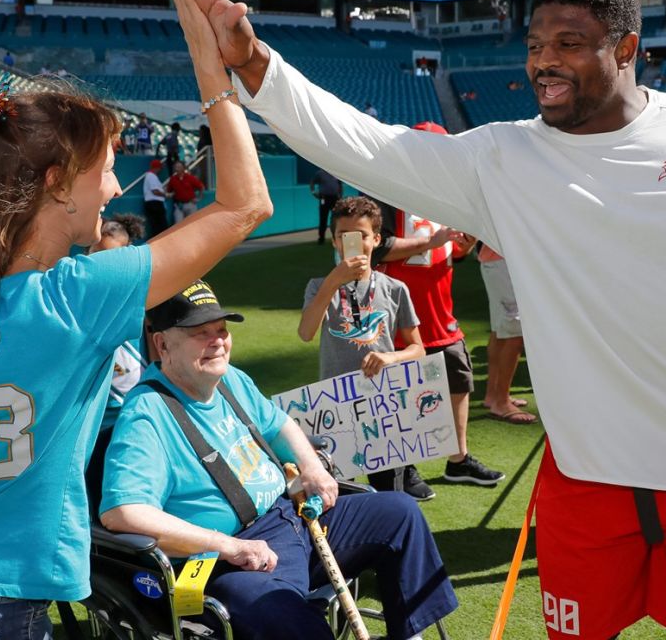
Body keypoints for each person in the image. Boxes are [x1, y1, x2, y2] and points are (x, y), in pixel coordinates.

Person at [158, 0, 666, 638]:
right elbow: (364, 144)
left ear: (625, 50)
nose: (543, 62)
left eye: (569, 44)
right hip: (586, 478)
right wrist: (253, 62)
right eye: (535, 45)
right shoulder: (503, 158)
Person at [0, 0, 273, 638]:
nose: (112, 186)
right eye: (104, 167)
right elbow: (248, 204)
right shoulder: (81, 295)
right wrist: (211, 63)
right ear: (55, 181)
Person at [100, 282, 458, 640]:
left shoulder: (230, 379)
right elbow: (123, 513)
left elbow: (279, 425)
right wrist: (228, 546)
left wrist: (312, 468)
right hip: (229, 563)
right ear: (162, 344)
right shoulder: (145, 415)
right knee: (283, 615)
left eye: (222, 330)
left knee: (399, 512)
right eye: (200, 333)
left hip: (294, 518)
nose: (218, 341)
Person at [367, 121, 506, 487]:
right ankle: (404, 464)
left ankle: (457, 460)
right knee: (402, 391)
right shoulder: (388, 190)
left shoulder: (449, 193)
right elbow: (375, 247)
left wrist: (462, 244)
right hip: (399, 311)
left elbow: (451, 252)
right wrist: (429, 244)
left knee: (458, 381)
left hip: (440, 309)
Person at [297, 197, 432, 499]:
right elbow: (306, 333)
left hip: (382, 407)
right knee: (341, 494)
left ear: (376, 239)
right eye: (344, 236)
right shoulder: (319, 286)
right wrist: (334, 281)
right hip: (337, 408)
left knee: (389, 493)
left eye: (360, 236)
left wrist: (390, 356)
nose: (351, 243)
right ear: (334, 241)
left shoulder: (395, 289)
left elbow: (418, 349)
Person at [89, 212, 151, 433]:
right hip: (96, 422)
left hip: (135, 417)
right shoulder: (81, 297)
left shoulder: (141, 300)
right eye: (95, 253)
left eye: (110, 256)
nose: (101, 263)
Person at [478, 243, 535, 423]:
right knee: (514, 334)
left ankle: (494, 396)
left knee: (501, 331)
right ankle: (501, 402)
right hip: (501, 261)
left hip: (497, 260)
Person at [308, 167, 342, 245]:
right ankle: (321, 238)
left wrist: (340, 195)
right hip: (324, 198)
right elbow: (312, 182)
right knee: (323, 218)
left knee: (336, 218)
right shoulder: (320, 173)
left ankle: (336, 237)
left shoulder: (335, 172)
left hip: (335, 198)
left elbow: (339, 184)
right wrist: (314, 192)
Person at [166, 159, 206, 224]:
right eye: (176, 167)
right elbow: (169, 191)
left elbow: (201, 187)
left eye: (179, 167)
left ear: (183, 168)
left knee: (192, 224)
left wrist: (198, 198)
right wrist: (169, 194)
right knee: (178, 225)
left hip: (190, 204)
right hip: (179, 205)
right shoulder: (172, 179)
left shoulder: (190, 177)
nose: (177, 169)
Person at [142, 159, 169, 237]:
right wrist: (166, 195)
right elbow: (155, 191)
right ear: (156, 168)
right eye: (160, 168)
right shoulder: (151, 176)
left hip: (153, 204)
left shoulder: (150, 176)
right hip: (155, 204)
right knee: (160, 226)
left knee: (157, 226)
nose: (160, 170)